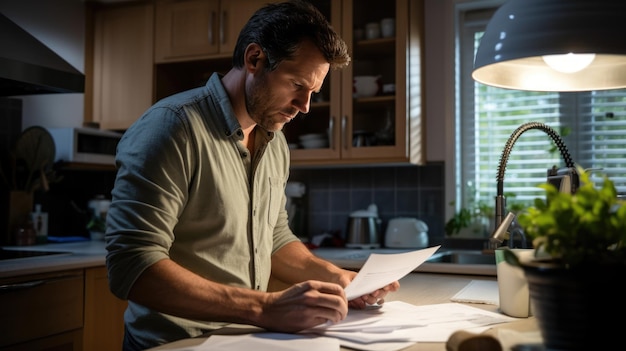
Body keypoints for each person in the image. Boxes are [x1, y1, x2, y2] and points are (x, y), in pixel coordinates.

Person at [105, 1, 400, 350]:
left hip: (246, 339)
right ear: (254, 59)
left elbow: (274, 238)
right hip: (176, 344)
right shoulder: (172, 128)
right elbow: (132, 264)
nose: (304, 106)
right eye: (296, 85)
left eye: (313, 93)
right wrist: (265, 307)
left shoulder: (275, 142)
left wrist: (341, 280)